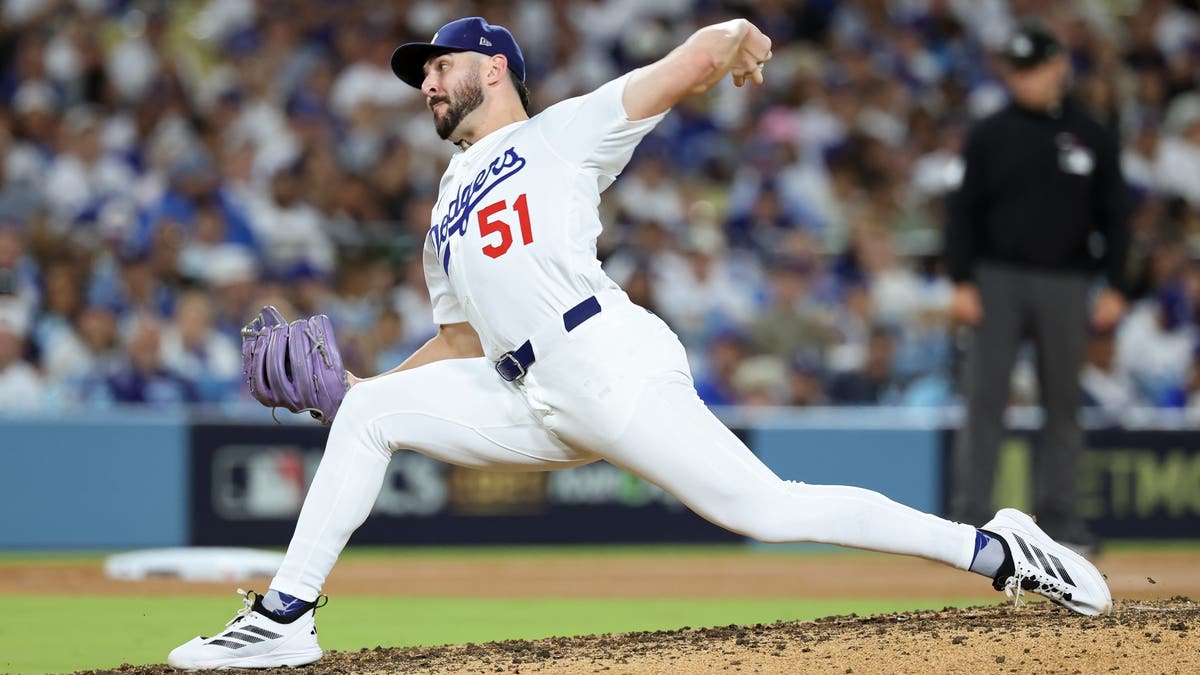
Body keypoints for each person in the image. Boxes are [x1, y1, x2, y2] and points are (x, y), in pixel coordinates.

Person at [169, 16, 1112, 670]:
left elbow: (685, 65)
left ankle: (999, 550)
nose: (426, 82)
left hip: (606, 362)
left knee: (767, 511)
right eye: (422, 73)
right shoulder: (444, 206)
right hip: (521, 395)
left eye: (438, 66)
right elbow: (458, 337)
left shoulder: (562, 133)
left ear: (492, 68)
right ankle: (282, 621)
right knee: (373, 411)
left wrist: (733, 38)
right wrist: (359, 395)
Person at [944, 20, 1130, 551]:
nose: (1024, 80)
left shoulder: (1092, 134)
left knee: (1064, 404)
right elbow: (962, 211)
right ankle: (970, 523)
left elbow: (1117, 215)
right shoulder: (990, 132)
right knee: (985, 399)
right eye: (1016, 70)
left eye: (1033, 68)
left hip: (1068, 281)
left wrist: (1117, 284)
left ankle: (1062, 524)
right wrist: (961, 279)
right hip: (996, 278)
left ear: (1059, 66)